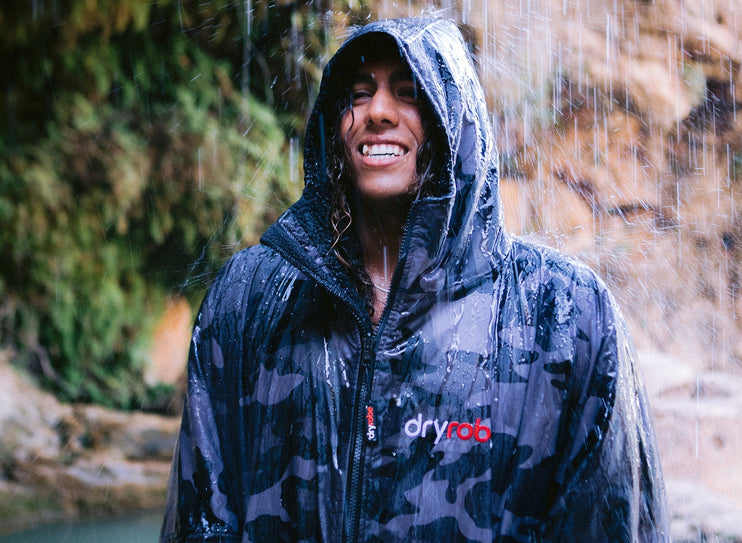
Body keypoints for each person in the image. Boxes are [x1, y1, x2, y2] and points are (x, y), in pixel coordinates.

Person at [160, 17, 670, 542]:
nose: (377, 111)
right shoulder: (251, 295)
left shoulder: (565, 315)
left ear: (456, 121)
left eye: (409, 92)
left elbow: (612, 523)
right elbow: (201, 516)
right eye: (359, 94)